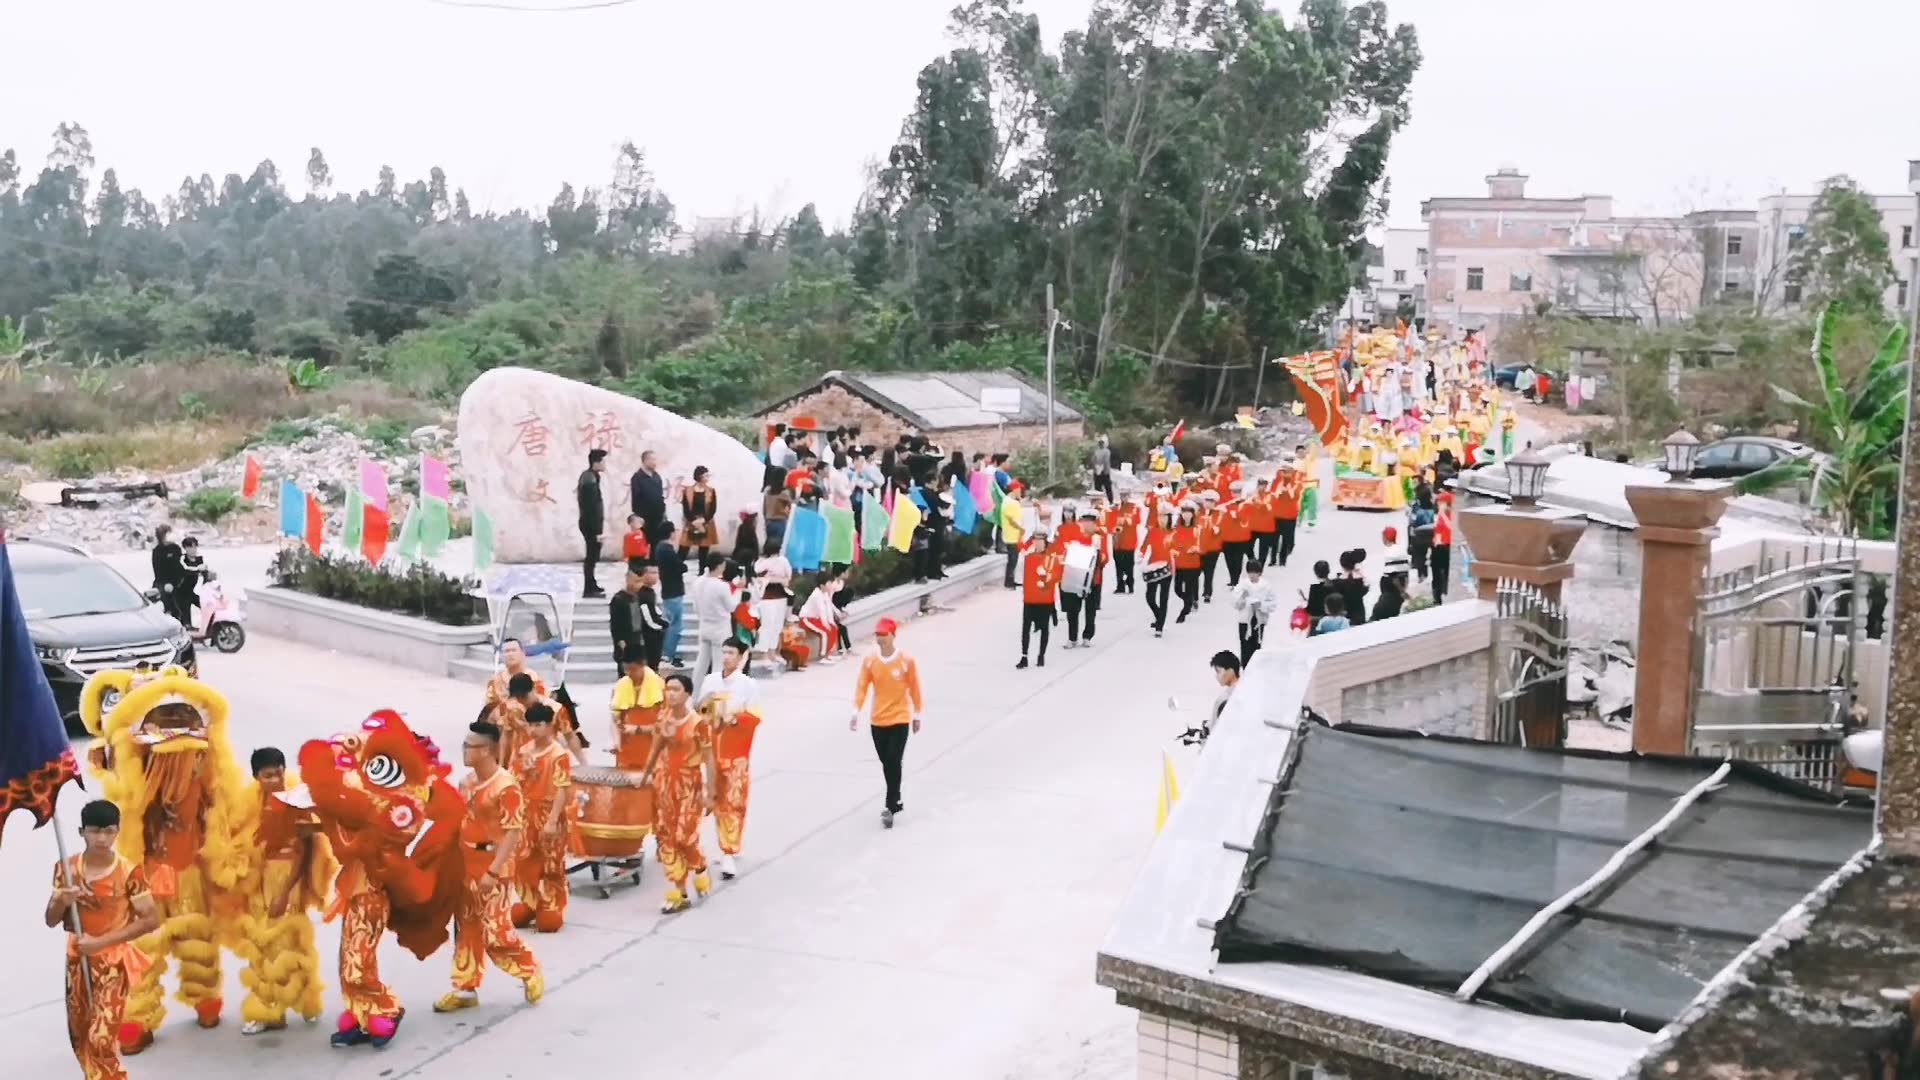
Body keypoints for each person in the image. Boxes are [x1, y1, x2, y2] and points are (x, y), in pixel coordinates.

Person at [435, 720, 544, 1014]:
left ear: (488, 750)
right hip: (466, 863)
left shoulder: (505, 787)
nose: (465, 751)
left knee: (494, 931)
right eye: (465, 745)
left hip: (493, 865)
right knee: (466, 927)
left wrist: (494, 871)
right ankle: (465, 988)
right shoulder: (466, 782)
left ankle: (528, 968)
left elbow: (513, 831)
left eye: (471, 746)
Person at [49, 799, 160, 1080]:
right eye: (95, 831)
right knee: (81, 1037)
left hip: (112, 963)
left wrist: (100, 943)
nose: (102, 838)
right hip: (77, 959)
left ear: (117, 832)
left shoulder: (129, 872)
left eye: (109, 831)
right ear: (81, 831)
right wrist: (62, 900)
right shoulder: (66, 868)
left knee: (101, 1039)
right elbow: (51, 919)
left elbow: (150, 920)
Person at [237, 747, 329, 1036]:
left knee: (288, 942)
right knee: (260, 944)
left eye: (279, 772)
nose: (275, 779)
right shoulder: (247, 806)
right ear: (256, 777)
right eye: (267, 775)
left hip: (287, 878)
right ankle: (267, 1008)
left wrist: (285, 890)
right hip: (258, 881)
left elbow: (305, 851)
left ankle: (305, 1000)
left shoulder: (296, 802)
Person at [637, 674, 719, 914]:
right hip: (664, 783)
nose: (670, 693)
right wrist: (646, 775)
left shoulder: (698, 723)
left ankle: (700, 867)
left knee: (685, 836)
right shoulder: (663, 717)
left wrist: (710, 793)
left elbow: (709, 759)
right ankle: (678, 891)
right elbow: (656, 747)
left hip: (688, 785)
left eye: (675, 689)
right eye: (667, 689)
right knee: (667, 838)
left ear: (686, 694)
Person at [697, 639, 761, 880]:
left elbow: (754, 716)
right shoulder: (711, 681)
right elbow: (701, 711)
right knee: (714, 797)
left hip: (736, 752)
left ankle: (728, 850)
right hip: (712, 750)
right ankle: (721, 842)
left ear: (742, 656)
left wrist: (734, 720)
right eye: (723, 652)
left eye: (731, 653)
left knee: (734, 801)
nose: (726, 657)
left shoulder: (748, 685)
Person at [851, 617, 923, 828]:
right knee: (887, 763)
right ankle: (896, 795)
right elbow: (862, 686)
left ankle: (890, 804)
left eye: (884, 634)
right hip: (878, 720)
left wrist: (917, 715)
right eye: (878, 635)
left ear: (893, 635)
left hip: (900, 718)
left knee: (893, 759)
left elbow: (915, 688)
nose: (880, 638)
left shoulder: (906, 661)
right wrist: (856, 711)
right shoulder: (870, 661)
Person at [510, 704, 573, 934]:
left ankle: (552, 905)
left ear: (549, 726)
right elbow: (513, 782)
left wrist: (553, 820)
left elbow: (562, 789)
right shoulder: (524, 751)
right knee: (523, 860)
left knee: (551, 864)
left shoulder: (558, 755)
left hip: (549, 812)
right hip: (527, 814)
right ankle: (531, 902)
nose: (533, 730)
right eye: (530, 725)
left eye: (538, 725)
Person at [609, 648, 666, 768]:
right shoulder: (619, 687)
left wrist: (639, 729)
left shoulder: (661, 687)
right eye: (626, 669)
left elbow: (667, 724)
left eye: (633, 669)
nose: (629, 673)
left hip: (653, 745)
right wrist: (616, 742)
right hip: (627, 746)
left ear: (643, 665)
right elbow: (614, 720)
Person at [689, 555, 736, 685]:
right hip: (720, 627)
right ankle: (715, 693)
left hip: (704, 625)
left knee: (701, 662)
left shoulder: (698, 582)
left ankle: (694, 693)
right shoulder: (722, 586)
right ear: (720, 566)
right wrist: (738, 593)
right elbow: (731, 607)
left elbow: (696, 607)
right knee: (718, 664)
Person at [1016, 527, 1059, 669]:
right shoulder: (1029, 554)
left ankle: (1041, 655)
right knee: (1025, 629)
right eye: (1035, 539)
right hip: (1029, 598)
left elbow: (1057, 574)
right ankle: (1024, 656)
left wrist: (1046, 580)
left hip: (1044, 598)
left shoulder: (1051, 557)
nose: (1038, 542)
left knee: (1044, 628)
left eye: (1040, 540)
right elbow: (1020, 546)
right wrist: (1021, 533)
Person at [752, 538, 793, 666]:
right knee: (767, 626)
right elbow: (757, 575)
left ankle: (772, 652)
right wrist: (771, 579)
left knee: (776, 626)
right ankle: (764, 653)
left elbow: (788, 576)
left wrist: (774, 579)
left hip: (781, 595)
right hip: (767, 597)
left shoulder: (783, 561)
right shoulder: (762, 562)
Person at [576, 449, 609, 598]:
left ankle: (592, 583)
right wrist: (596, 531)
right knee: (591, 556)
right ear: (596, 463)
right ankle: (589, 588)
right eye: (602, 461)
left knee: (593, 556)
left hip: (592, 523)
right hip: (590, 525)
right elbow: (590, 507)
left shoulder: (592, 477)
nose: (605, 464)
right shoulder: (589, 480)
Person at [1232, 560, 1276, 665]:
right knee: (1244, 646)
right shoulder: (1242, 585)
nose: (1252, 575)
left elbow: (1273, 604)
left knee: (1256, 646)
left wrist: (1261, 605)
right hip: (1245, 620)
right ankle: (1245, 667)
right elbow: (1235, 604)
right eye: (1250, 572)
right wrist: (1242, 597)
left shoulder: (1266, 586)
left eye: (1254, 572)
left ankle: (1255, 667)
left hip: (1258, 621)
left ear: (1259, 573)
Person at [609, 569, 650, 679]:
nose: (639, 585)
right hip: (625, 641)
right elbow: (615, 624)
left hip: (638, 639)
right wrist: (620, 641)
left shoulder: (639, 597)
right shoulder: (619, 599)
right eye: (636, 581)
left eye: (641, 581)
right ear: (628, 580)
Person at [1141, 507, 1175, 637]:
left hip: (1167, 568)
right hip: (1153, 567)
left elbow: (1177, 548)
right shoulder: (1152, 532)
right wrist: (1142, 557)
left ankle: (1159, 626)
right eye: (1160, 516)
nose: (1162, 519)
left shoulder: (1172, 533)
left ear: (1169, 518)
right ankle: (1158, 615)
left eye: (1165, 517)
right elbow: (1144, 548)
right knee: (1150, 597)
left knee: (1163, 597)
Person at [655, 532, 688, 667]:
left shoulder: (660, 549)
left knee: (671, 623)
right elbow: (681, 567)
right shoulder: (667, 550)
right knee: (674, 625)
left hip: (668, 590)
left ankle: (668, 653)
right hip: (674, 591)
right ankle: (667, 654)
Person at [1171, 504, 1204, 624]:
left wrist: (1197, 548)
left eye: (1189, 512)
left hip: (1192, 565)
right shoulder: (1176, 528)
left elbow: (1203, 545)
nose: (1186, 515)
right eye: (1184, 512)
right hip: (1179, 563)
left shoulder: (1197, 529)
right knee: (1177, 589)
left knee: (1189, 588)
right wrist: (1172, 550)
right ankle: (1189, 602)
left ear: (1193, 514)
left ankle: (1184, 612)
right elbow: (1171, 542)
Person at [680, 466, 718, 566]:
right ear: (699, 476)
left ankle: (702, 572)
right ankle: (677, 569)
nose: (707, 478)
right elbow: (685, 508)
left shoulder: (711, 491)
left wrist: (703, 520)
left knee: (704, 549)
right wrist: (693, 521)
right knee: (683, 547)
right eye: (706, 476)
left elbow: (713, 509)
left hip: (706, 522)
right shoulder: (687, 491)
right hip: (691, 521)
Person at [151, 524, 188, 625]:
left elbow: (180, 565)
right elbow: (158, 570)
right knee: (168, 604)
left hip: (178, 582)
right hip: (164, 583)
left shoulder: (175, 548)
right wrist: (166, 583)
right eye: (169, 533)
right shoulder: (158, 551)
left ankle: (187, 624)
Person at [1271, 465, 1305, 568]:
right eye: (1284, 472)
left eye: (1288, 472)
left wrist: (1288, 489)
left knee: (1286, 540)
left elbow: (1295, 497)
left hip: (1289, 516)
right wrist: (1278, 491)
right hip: (1276, 515)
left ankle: (1282, 560)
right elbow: (1272, 494)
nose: (1286, 474)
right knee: (1274, 539)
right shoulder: (1277, 482)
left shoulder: (1296, 484)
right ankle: (1272, 559)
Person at [630, 450, 668, 543]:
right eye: (653, 460)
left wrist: (663, 511)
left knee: (656, 545)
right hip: (644, 519)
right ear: (645, 460)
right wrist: (638, 516)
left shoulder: (656, 476)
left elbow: (660, 495)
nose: (655, 462)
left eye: (655, 460)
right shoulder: (637, 478)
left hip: (658, 517)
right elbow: (636, 498)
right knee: (644, 545)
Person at [1109, 494, 1140, 594]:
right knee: (1118, 564)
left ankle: (1130, 584)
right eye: (1122, 495)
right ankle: (1120, 585)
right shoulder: (1115, 508)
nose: (1123, 498)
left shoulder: (1134, 507)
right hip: (1117, 541)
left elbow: (1136, 520)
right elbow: (1109, 523)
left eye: (1125, 495)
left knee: (1129, 564)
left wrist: (1125, 520)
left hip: (1129, 540)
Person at [1000, 480, 1027, 588]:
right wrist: (1021, 529)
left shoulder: (1008, 501)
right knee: (1012, 560)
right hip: (1013, 535)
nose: (1020, 491)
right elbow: (1012, 520)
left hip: (1012, 535)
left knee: (1013, 559)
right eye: (1019, 489)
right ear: (1014, 489)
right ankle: (1009, 582)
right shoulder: (1010, 503)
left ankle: (1011, 580)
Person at [1209, 650, 1242, 738]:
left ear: (1230, 671)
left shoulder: (1225, 699)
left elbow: (1216, 731)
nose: (1216, 676)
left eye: (1218, 671)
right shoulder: (1246, 689)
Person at [1198, 494, 1224, 603]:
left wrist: (1215, 527)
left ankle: (1207, 592)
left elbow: (1219, 527)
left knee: (1209, 571)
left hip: (1213, 548)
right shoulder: (1198, 513)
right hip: (1200, 547)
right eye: (1207, 501)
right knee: (1197, 571)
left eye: (1211, 501)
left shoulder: (1219, 514)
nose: (1209, 503)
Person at [1431, 491, 1455, 605]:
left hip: (1447, 546)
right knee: (1436, 573)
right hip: (1438, 545)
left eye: (1442, 502)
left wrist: (1443, 514)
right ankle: (1436, 596)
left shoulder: (1451, 514)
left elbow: (1451, 527)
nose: (1439, 504)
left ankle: (1444, 593)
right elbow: (1438, 530)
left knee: (1444, 572)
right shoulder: (1439, 515)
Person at [1336, 548, 1371, 628]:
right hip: (1359, 614)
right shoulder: (1359, 579)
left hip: (1345, 616)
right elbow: (1366, 588)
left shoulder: (1338, 581)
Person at [1371, 557, 1409, 622]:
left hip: (1387, 591)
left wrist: (1403, 591)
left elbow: (1403, 579)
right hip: (1390, 594)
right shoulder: (1398, 573)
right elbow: (1396, 579)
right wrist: (1403, 591)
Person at [1090, 435, 1115, 503]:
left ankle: (1100, 501)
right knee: (1107, 488)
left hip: (1098, 471)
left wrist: (1096, 468)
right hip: (1104, 472)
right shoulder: (1106, 451)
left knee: (1098, 488)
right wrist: (1101, 469)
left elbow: (1093, 460)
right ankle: (1110, 501)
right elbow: (1105, 461)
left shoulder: (1096, 451)